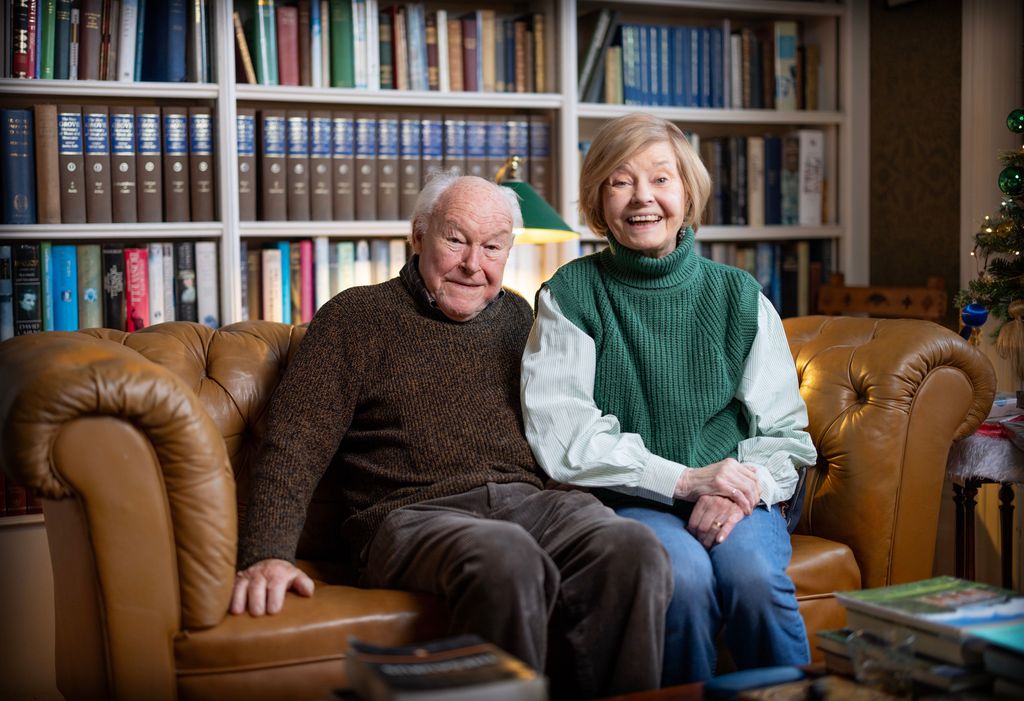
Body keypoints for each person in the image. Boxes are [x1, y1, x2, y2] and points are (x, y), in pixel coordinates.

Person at [230, 173, 672, 698]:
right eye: (456, 239)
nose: (472, 264)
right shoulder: (356, 317)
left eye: (492, 247)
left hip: (529, 503)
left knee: (633, 547)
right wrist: (267, 552)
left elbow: (563, 424)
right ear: (419, 236)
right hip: (408, 515)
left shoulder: (519, 317)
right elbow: (295, 440)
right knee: (505, 555)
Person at [521, 114, 819, 685]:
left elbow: (783, 433)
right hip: (629, 499)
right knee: (680, 580)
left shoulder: (737, 295)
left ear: (687, 193)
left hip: (737, 492)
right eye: (620, 181)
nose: (643, 198)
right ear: (599, 199)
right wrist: (683, 481)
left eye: (661, 179)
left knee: (753, 578)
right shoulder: (571, 295)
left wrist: (739, 488)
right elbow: (566, 435)